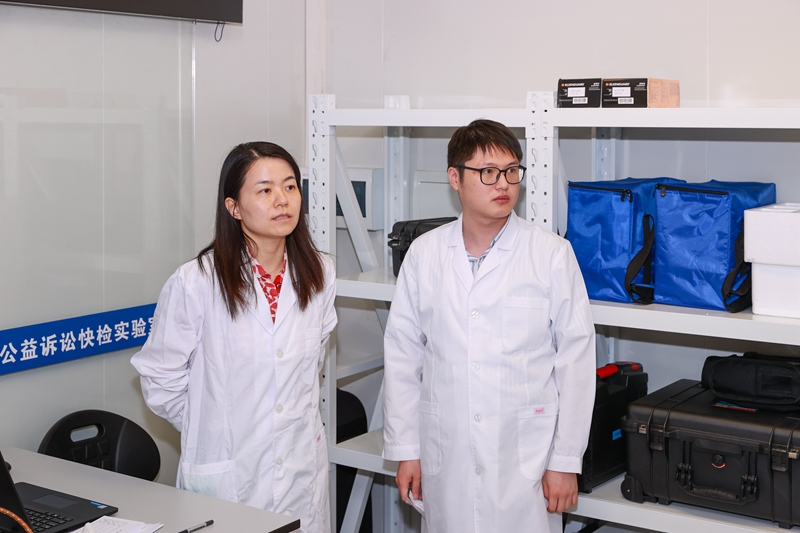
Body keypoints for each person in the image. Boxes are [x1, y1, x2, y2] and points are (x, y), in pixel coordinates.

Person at [382, 120, 596, 532]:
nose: (504, 184)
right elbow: (403, 356)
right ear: (455, 178)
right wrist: (407, 450)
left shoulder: (550, 254)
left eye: (512, 171)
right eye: (488, 172)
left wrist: (565, 461)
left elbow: (577, 363)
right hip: (446, 452)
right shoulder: (425, 255)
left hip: (525, 458)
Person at [131, 142, 336, 533]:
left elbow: (312, 365)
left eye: (290, 186)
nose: (282, 200)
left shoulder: (320, 273)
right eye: (265, 190)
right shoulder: (196, 281)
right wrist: (212, 426)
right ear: (234, 207)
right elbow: (160, 379)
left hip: (300, 470)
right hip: (227, 475)